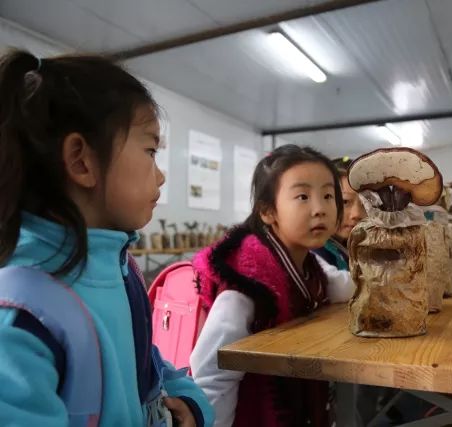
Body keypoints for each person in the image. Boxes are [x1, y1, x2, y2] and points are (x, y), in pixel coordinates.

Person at [0, 50, 213, 426]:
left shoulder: (121, 268)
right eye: (150, 150)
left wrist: (188, 399)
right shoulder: (21, 318)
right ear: (81, 161)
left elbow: (141, 359)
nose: (161, 175)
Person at [190, 145, 354, 427]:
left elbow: (338, 285)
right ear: (267, 211)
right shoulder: (248, 285)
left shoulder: (307, 264)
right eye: (303, 197)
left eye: (328, 196)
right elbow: (213, 375)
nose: (319, 209)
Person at [314, 156, 366, 271]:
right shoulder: (315, 254)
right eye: (345, 202)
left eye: (366, 204)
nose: (356, 214)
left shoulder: (355, 250)